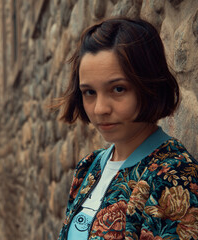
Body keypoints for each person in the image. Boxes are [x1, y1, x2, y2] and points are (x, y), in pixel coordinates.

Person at [54, 17, 198, 239]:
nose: (100, 109)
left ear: (149, 85)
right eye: (89, 92)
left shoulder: (172, 176)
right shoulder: (89, 167)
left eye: (118, 89)